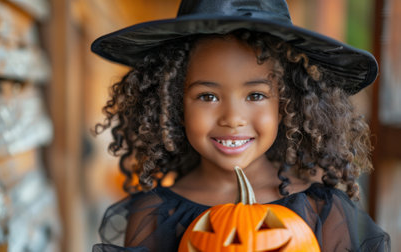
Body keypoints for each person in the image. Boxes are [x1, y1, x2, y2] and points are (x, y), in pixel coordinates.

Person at [91, 0, 391, 251]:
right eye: (207, 96)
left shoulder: (320, 210)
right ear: (173, 105)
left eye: (256, 95)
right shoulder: (153, 214)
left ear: (288, 104)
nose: (232, 117)